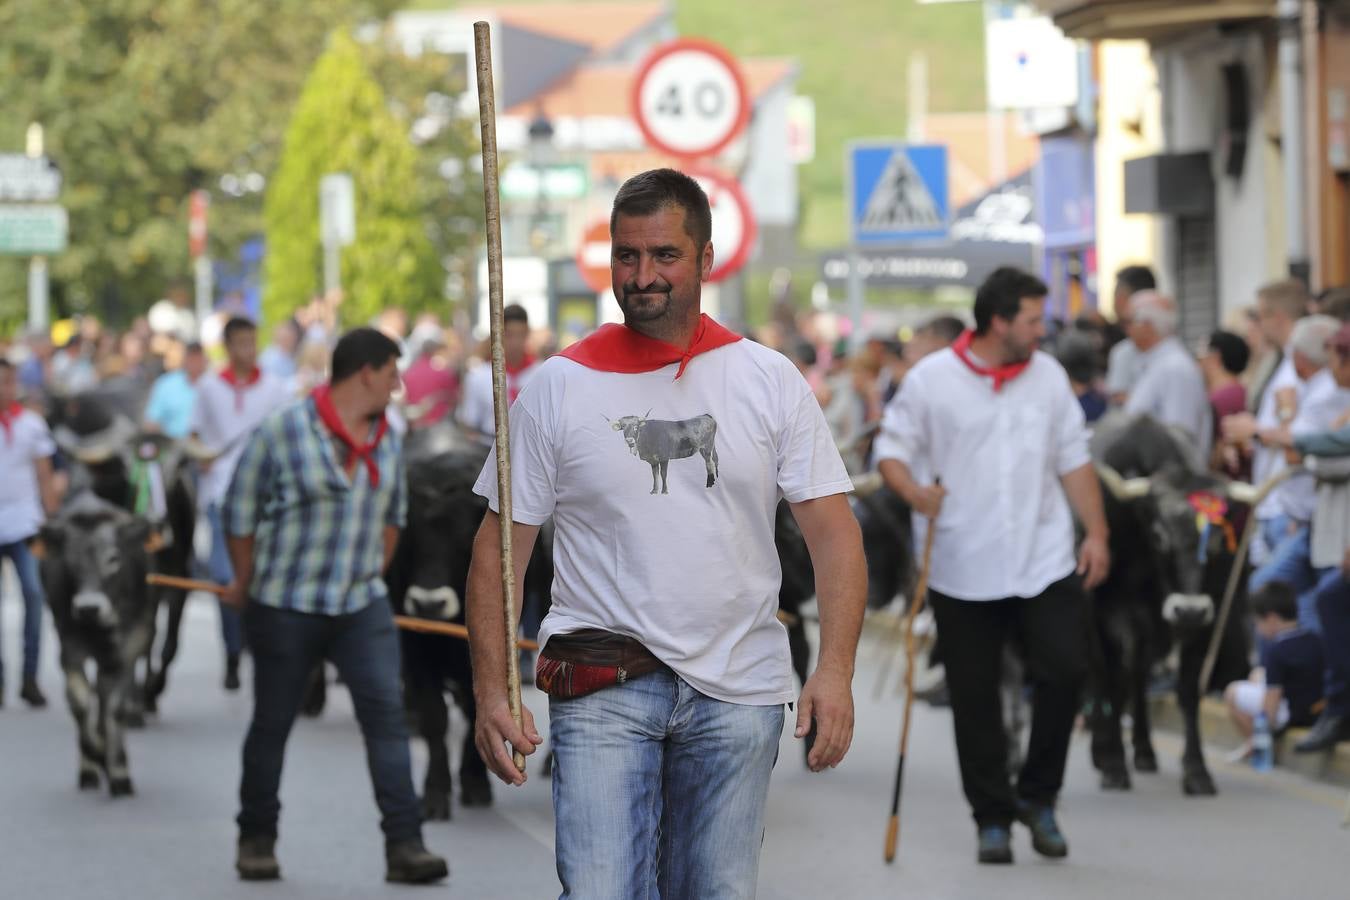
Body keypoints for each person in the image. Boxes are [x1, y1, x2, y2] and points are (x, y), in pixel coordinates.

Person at [464, 168, 867, 900]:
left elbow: (836, 537)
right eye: (627, 255)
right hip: (603, 678)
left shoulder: (769, 380)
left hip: (738, 690)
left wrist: (834, 671)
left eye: (665, 255)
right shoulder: (558, 387)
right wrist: (492, 689)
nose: (643, 275)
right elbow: (499, 552)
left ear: (706, 259)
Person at [875, 266, 1110, 865]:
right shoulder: (932, 380)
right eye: (1032, 319)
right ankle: (993, 817)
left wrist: (1097, 532)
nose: (1041, 330)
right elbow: (891, 451)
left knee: (1066, 670)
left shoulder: (1048, 376)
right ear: (999, 322)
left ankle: (1039, 796)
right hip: (962, 562)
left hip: (1044, 556)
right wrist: (913, 492)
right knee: (974, 696)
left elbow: (1074, 459)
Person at [221, 327, 446, 884]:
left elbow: (393, 518)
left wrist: (370, 575)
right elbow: (239, 514)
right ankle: (256, 839)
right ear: (365, 373)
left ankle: (406, 845)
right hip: (285, 605)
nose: (398, 386)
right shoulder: (281, 432)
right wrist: (245, 580)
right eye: (392, 374)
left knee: (388, 722)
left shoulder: (388, 437)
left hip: (359, 607)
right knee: (272, 724)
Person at [1225, 315, 1346, 631]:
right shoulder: (1321, 388)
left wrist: (1271, 422)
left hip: (1314, 520)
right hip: (1303, 516)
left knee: (1290, 599)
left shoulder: (1328, 393)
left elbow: (1297, 450)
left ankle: (1298, 661)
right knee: (1305, 600)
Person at [191, 318, 293, 690]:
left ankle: (261, 649)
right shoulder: (208, 388)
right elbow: (194, 435)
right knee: (225, 576)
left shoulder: (276, 388)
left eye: (252, 342)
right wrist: (202, 457)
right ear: (228, 346)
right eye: (240, 343)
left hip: (266, 496)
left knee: (266, 577)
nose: (248, 350)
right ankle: (232, 650)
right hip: (220, 494)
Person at [0, 361, 59, 709]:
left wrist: (51, 521)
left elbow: (45, 475)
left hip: (25, 524)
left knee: (34, 596)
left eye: (7, 382)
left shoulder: (32, 424)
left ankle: (30, 676)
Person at [1223, 582, 1324, 757]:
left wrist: (1265, 730)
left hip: (1292, 714)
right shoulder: (1314, 638)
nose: (1257, 629)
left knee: (1232, 692)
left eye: (1258, 622)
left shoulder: (1276, 650)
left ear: (1271, 619)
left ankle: (1259, 746)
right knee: (1257, 674)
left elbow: (1272, 699)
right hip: (1317, 711)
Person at [1122, 291, 1213, 459]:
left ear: (1147, 325)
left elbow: (1180, 441)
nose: (1126, 330)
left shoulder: (1175, 368)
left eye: (1128, 322)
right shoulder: (1159, 364)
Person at [457, 304, 538, 438]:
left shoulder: (539, 373)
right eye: (509, 335)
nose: (515, 342)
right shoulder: (479, 376)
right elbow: (469, 422)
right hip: (487, 444)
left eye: (521, 335)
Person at [1103, 264, 1157, 404]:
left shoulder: (1123, 353)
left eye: (1115, 294)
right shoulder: (1173, 351)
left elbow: (1119, 401)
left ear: (1123, 298)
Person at [144, 342, 207, 439]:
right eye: (191, 358)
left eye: (198, 358)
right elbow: (152, 420)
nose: (195, 362)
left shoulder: (215, 386)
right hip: (173, 443)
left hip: (207, 445)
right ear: (185, 359)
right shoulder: (166, 384)